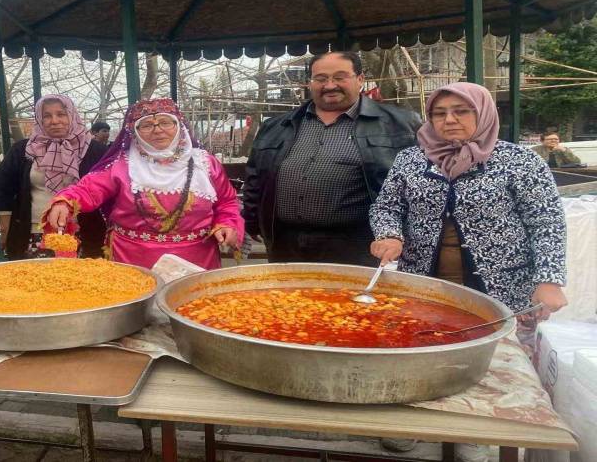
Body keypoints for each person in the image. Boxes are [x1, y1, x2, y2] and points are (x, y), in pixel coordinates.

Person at [369, 83, 568, 461]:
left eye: (461, 111)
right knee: (418, 355)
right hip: (426, 284)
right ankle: (412, 424)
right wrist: (389, 235)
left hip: (501, 285)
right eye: (440, 113)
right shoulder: (411, 159)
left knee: (495, 366)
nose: (449, 120)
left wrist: (549, 279)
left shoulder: (518, 161)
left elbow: (546, 222)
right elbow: (386, 207)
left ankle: (480, 439)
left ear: (484, 114)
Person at [241, 51, 421, 266]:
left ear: (360, 79)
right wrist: (250, 222)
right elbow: (255, 180)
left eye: (339, 77)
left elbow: (415, 187)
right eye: (321, 79)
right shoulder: (276, 126)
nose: (329, 85)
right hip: (285, 245)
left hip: (360, 248)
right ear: (310, 83)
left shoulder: (400, 125)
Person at [45, 99, 242, 270]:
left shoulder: (205, 163)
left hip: (198, 260)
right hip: (132, 262)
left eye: (165, 122)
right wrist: (65, 201)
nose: (158, 130)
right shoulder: (121, 166)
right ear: (134, 132)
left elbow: (227, 202)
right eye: (146, 125)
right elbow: (87, 189)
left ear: (179, 126)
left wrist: (228, 224)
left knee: (196, 311)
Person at [0, 95, 107, 259]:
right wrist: (5, 228)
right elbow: (3, 188)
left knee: (81, 283)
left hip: (83, 233)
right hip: (34, 232)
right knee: (35, 281)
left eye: (61, 114)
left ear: (72, 115)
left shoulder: (95, 150)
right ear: (39, 119)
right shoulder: (23, 150)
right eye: (47, 116)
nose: (54, 121)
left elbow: (105, 189)